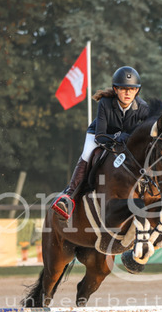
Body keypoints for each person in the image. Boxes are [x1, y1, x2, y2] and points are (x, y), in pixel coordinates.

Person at [52, 66, 150, 220]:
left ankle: (158, 201)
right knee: (87, 154)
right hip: (99, 135)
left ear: (137, 90)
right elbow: (100, 136)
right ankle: (69, 197)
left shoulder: (143, 108)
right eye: (123, 89)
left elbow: (147, 132)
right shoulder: (105, 103)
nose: (128, 93)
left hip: (124, 141)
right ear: (116, 89)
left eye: (132, 89)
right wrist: (121, 136)